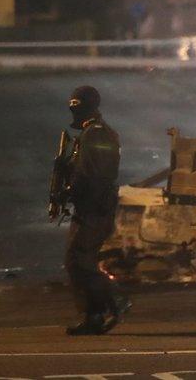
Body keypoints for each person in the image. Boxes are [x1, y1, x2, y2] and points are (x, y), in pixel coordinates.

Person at [62, 86, 130, 335]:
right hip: (91, 208)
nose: (73, 112)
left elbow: (96, 175)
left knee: (78, 260)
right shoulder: (94, 132)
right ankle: (94, 315)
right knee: (77, 261)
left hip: (95, 209)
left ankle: (114, 300)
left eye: (75, 107)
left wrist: (72, 190)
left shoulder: (97, 134)